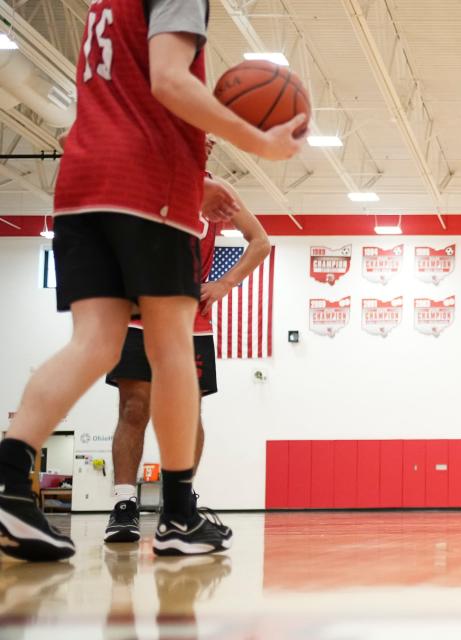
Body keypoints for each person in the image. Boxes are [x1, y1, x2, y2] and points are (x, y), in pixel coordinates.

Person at [0, 0, 304, 562]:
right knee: (171, 352)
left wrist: (195, 176)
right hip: (148, 186)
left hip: (83, 180)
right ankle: (179, 516)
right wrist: (258, 142)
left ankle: (9, 480)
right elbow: (168, 81)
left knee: (92, 344)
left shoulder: (103, 4)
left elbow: (128, 93)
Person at [104, 172, 269, 543]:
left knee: (186, 415)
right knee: (134, 408)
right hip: (137, 312)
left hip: (188, 319)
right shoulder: (139, 174)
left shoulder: (216, 189)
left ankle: (179, 506)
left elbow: (260, 241)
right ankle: (124, 504)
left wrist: (226, 282)